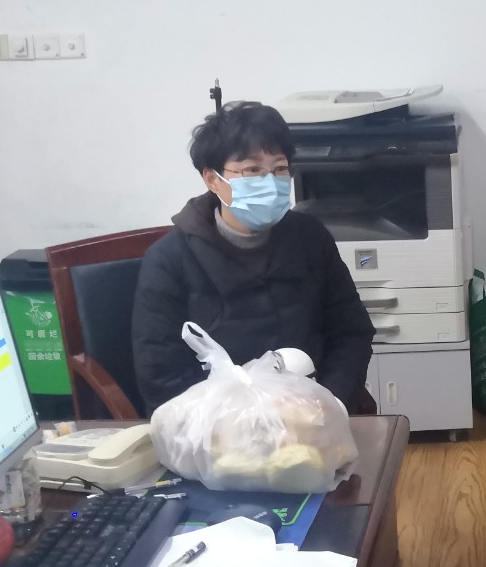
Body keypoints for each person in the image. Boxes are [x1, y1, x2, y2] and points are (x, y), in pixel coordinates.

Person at [132, 100, 374, 415]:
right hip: (218, 424)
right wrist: (232, 424)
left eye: (279, 169)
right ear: (212, 179)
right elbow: (160, 373)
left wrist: (331, 402)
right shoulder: (169, 260)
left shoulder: (311, 238)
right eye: (252, 170)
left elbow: (351, 332)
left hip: (314, 411)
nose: (269, 181)